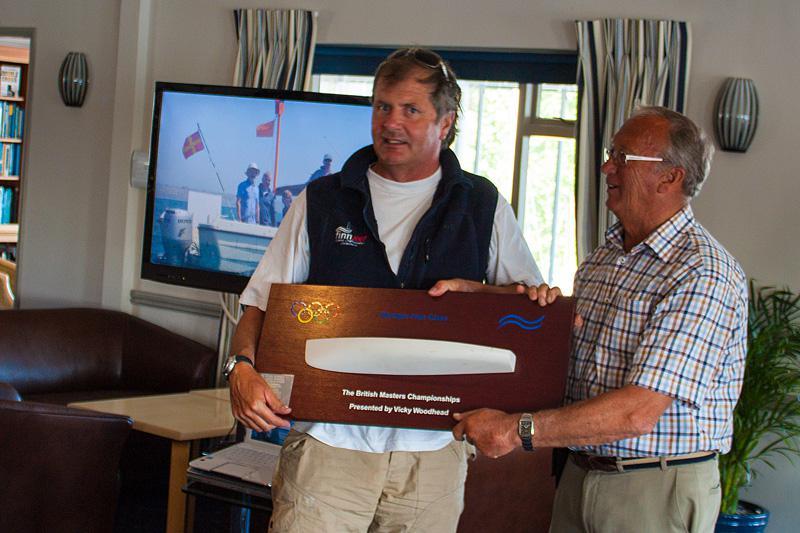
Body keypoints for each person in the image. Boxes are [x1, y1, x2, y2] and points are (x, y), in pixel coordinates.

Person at [224, 48, 548, 533]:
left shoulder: (483, 205)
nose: (391, 123)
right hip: (327, 448)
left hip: (433, 455)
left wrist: (484, 294)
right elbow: (259, 304)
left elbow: (524, 310)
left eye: (410, 110)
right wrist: (241, 368)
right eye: (382, 107)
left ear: (445, 122)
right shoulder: (322, 200)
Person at [452, 107, 748, 533]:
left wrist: (516, 430)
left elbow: (638, 412)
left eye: (623, 157)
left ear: (671, 178)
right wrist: (493, 302)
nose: (607, 166)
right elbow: (566, 362)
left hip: (654, 487)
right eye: (611, 153)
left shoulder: (702, 272)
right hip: (581, 472)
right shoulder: (605, 258)